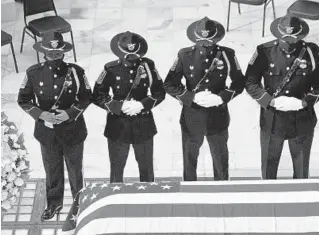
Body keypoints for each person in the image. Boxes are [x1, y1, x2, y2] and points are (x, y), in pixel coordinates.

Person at [17, 32, 92, 221]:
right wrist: (41, 114)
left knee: (75, 170)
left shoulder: (76, 71)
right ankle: (54, 203)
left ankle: (78, 202)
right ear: (44, 53)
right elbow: (23, 100)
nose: (55, 58)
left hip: (72, 130)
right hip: (47, 132)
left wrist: (70, 113)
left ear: (63, 53)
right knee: (52, 170)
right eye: (51, 54)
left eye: (58, 54)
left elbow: (86, 96)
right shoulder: (33, 73)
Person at [244, 15, 319, 180]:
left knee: (302, 169)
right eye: (286, 37)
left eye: (293, 37)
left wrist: (304, 102)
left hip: (302, 119)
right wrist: (270, 101)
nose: (289, 41)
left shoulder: (312, 52)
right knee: (269, 168)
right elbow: (250, 82)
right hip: (273, 120)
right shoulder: (264, 51)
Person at [163, 17, 245, 181]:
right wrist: (191, 96)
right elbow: (169, 84)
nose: (206, 44)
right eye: (202, 41)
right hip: (192, 115)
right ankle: (190, 190)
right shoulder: (185, 55)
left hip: (218, 115)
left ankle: (222, 190)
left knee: (221, 159)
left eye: (210, 40)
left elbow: (239, 82)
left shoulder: (227, 54)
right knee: (189, 158)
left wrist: (222, 98)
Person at [92, 31, 165, 183]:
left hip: (143, 123)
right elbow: (97, 95)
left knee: (146, 168)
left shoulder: (147, 65)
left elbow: (159, 92)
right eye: (128, 55)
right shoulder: (110, 69)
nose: (132, 59)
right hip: (118, 125)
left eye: (135, 55)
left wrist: (142, 105)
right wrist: (119, 106)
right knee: (116, 169)